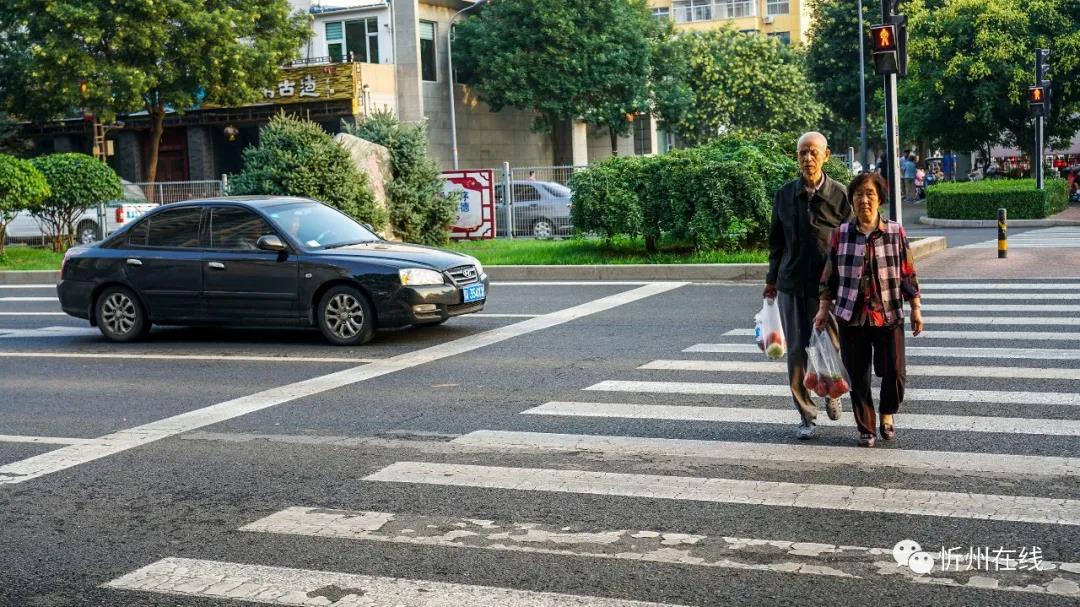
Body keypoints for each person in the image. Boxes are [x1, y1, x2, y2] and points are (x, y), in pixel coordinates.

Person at [816, 172, 923, 448]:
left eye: (870, 194)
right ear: (852, 200)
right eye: (858, 195)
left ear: (880, 199)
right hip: (851, 316)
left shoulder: (895, 232)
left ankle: (887, 412)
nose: (864, 200)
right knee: (858, 376)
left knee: (894, 372)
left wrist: (916, 307)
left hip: (889, 313)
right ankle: (866, 427)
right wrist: (823, 309)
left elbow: (908, 273)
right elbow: (829, 277)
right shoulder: (841, 234)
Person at [765, 132, 853, 440]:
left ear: (826, 156)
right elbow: (776, 243)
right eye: (803, 152)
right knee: (796, 352)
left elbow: (851, 242)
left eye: (814, 152)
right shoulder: (784, 195)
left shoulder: (840, 195)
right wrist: (771, 280)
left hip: (828, 287)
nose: (808, 158)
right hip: (792, 283)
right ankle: (806, 414)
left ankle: (832, 390)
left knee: (831, 345)